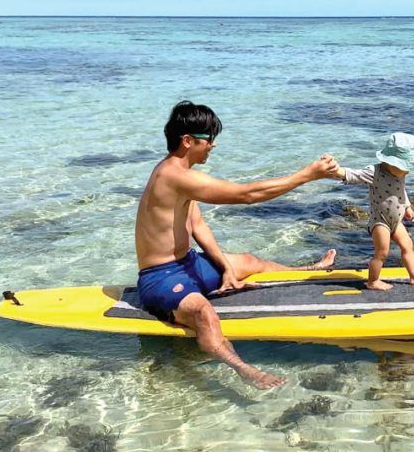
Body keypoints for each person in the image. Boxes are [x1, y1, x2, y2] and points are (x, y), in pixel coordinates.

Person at [134, 101, 340, 389]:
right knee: (205, 315)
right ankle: (244, 369)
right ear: (188, 141)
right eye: (209, 139)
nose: (213, 145)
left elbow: (197, 225)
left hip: (188, 264)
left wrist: (225, 267)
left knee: (250, 261)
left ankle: (308, 269)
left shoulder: (180, 172)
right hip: (160, 279)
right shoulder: (176, 177)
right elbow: (247, 195)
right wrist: (307, 175)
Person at [327, 132, 414, 291]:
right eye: (407, 167)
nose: (408, 172)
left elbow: (401, 191)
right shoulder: (374, 172)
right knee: (382, 253)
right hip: (380, 222)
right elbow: (351, 174)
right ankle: (373, 281)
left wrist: (407, 206)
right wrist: (334, 169)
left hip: (396, 221)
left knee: (408, 246)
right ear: (392, 162)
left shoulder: (399, 173)